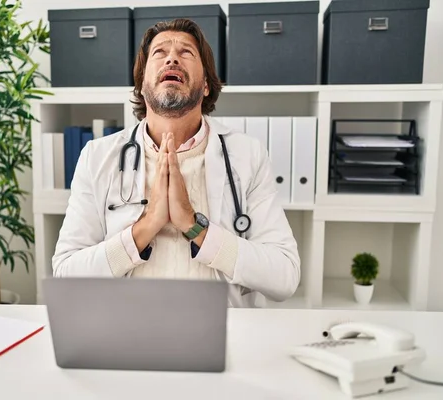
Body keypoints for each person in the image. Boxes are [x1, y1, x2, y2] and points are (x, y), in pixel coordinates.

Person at [51, 18, 300, 307]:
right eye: (159, 53)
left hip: (221, 331)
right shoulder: (97, 156)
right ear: (142, 86)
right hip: (126, 330)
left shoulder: (248, 155)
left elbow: (285, 277)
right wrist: (147, 225)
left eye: (186, 53)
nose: (171, 57)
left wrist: (193, 226)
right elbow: (66, 275)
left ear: (206, 85)